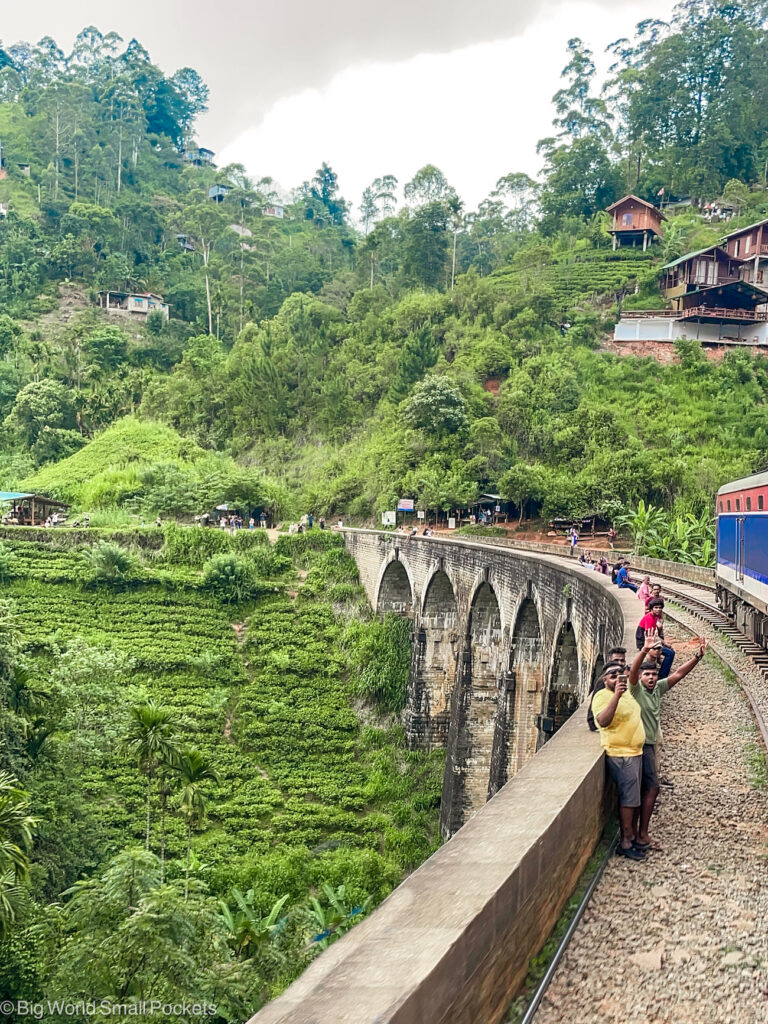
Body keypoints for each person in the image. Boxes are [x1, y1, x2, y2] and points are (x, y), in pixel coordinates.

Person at [627, 636, 708, 852]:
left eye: (654, 674)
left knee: (647, 789)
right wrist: (643, 651)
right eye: (648, 675)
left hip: (649, 746)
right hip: (641, 747)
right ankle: (640, 834)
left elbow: (678, 674)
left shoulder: (658, 689)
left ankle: (639, 833)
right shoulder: (636, 690)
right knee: (650, 788)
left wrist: (697, 657)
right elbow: (633, 674)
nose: (652, 678)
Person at [591, 664, 646, 860]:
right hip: (620, 754)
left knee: (633, 798)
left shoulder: (628, 692)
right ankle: (625, 842)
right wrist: (616, 695)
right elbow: (603, 721)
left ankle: (630, 837)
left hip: (634, 752)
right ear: (604, 680)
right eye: (611, 675)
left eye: (619, 673)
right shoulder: (601, 696)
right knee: (628, 799)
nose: (617, 676)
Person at [636, 598, 675, 679]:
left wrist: (664, 642)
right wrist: (664, 643)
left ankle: (662, 670)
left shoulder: (654, 617)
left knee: (668, 650)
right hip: (644, 642)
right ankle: (662, 675)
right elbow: (650, 636)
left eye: (660, 608)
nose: (658, 609)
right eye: (656, 607)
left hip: (649, 640)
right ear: (651, 609)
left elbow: (654, 635)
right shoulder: (649, 618)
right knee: (670, 653)